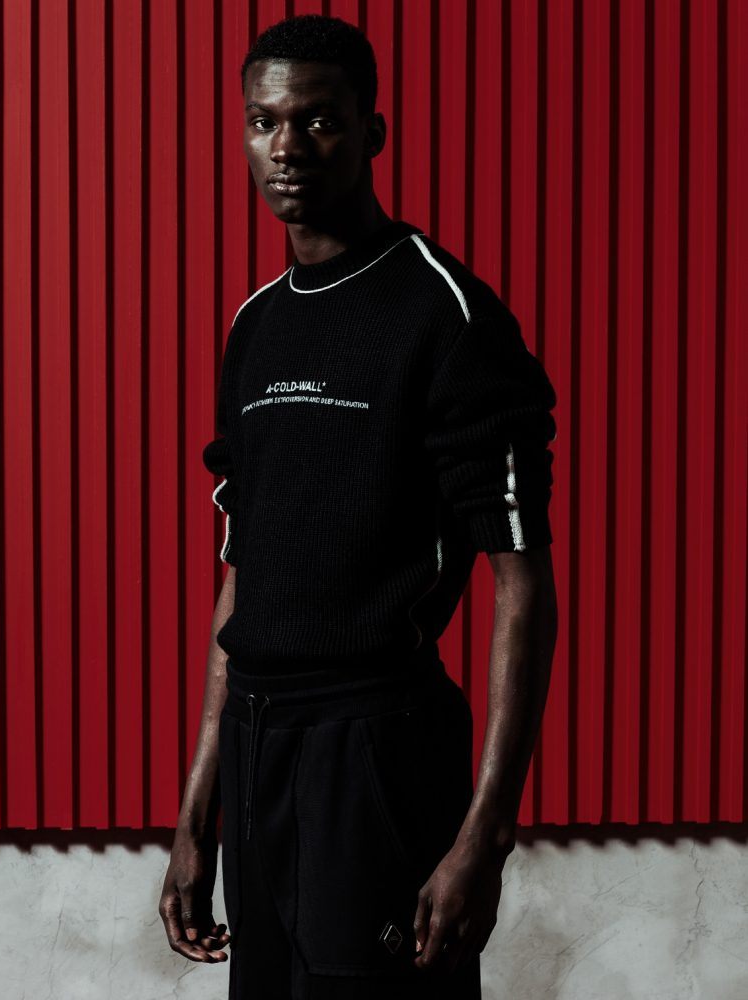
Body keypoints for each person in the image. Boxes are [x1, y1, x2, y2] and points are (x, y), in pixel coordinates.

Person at [159, 13, 558, 1000]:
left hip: (376, 749)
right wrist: (198, 809)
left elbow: (521, 580)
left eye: (318, 120)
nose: (286, 147)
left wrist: (484, 836)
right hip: (256, 746)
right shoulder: (257, 326)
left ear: (371, 132)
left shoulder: (445, 314)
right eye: (263, 121)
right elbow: (244, 573)